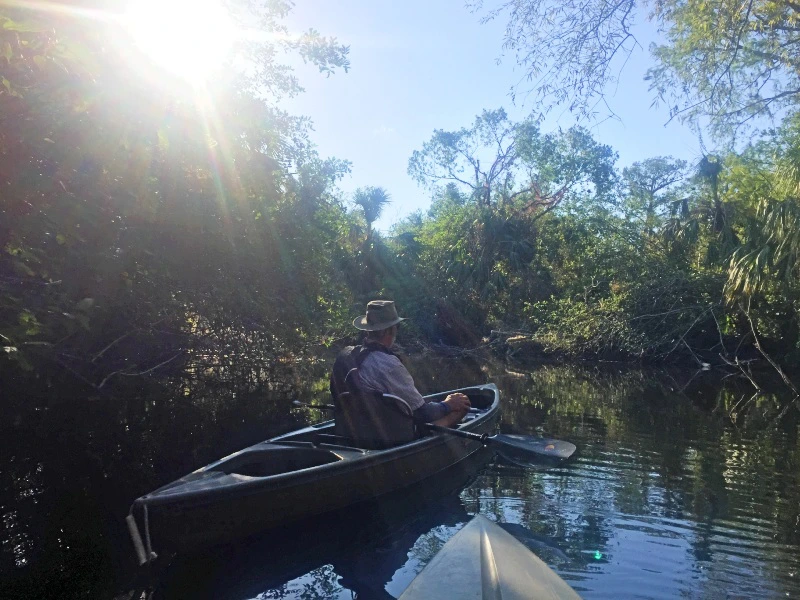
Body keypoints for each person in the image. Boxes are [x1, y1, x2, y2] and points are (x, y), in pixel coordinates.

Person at [330, 300, 471, 428]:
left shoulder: (346, 355)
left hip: (350, 433)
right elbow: (422, 414)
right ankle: (433, 431)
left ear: (368, 330)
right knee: (462, 408)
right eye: (397, 326)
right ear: (389, 330)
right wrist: (447, 404)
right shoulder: (389, 364)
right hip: (389, 438)